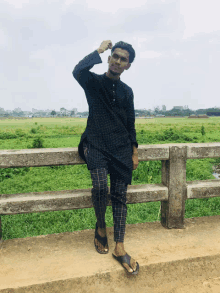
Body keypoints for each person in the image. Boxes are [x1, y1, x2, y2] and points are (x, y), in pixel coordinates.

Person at [72, 40, 139, 274]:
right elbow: (77, 71)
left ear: (127, 66)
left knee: (120, 196)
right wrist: (97, 50)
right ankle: (101, 226)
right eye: (115, 56)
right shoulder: (93, 83)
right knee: (100, 188)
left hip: (121, 149)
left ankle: (119, 246)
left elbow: (130, 123)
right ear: (109, 58)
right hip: (96, 145)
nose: (117, 61)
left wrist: (134, 151)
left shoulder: (127, 92)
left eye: (123, 59)